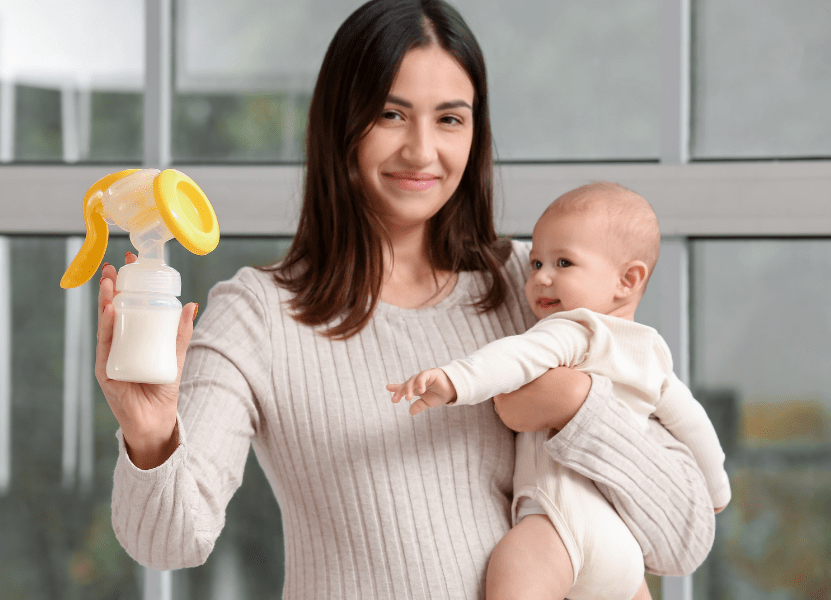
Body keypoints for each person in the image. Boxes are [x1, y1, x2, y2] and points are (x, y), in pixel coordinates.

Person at [95, 1, 717, 598]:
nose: (423, 151)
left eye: (450, 118)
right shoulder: (260, 314)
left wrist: (578, 403)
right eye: (392, 115)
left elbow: (685, 539)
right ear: (343, 124)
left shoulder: (533, 288)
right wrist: (150, 438)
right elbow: (170, 544)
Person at [389, 182, 731, 599]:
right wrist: (717, 488)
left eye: (563, 263)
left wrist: (455, 381)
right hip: (624, 547)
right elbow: (692, 422)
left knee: (513, 574)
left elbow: (513, 358)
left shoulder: (572, 330)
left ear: (628, 279)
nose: (541, 277)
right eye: (535, 263)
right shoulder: (652, 354)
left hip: (556, 527)